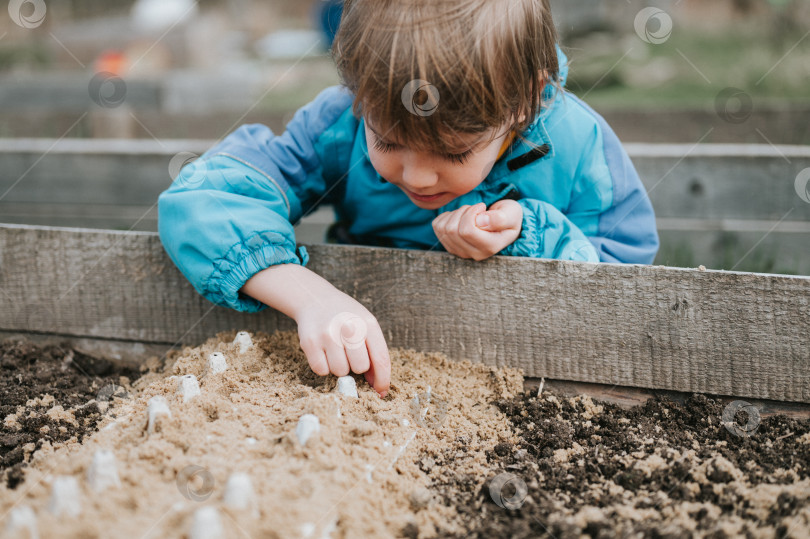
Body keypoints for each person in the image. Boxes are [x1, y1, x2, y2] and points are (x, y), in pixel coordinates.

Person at [158, 0, 659, 401]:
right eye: (389, 142)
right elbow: (203, 198)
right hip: (364, 375)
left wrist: (534, 234)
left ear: (523, 105)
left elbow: (626, 277)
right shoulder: (339, 124)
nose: (417, 176)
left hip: (530, 378)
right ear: (359, 93)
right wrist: (312, 298)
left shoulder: (577, 146)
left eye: (452, 151)